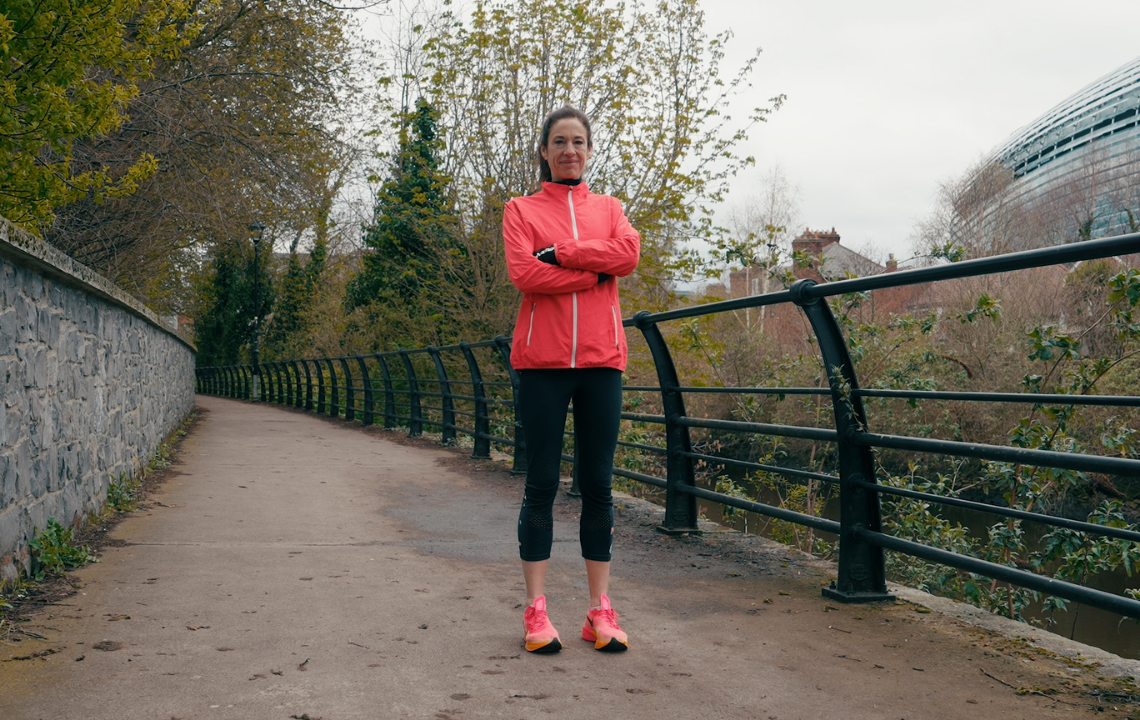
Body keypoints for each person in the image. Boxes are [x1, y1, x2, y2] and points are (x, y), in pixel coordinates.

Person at [502, 106, 640, 653]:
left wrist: (562, 254)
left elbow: (627, 253)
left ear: (589, 149)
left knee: (599, 487)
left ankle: (599, 612)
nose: (569, 151)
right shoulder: (520, 209)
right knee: (540, 486)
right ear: (543, 150)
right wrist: (595, 270)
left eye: (578, 141)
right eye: (559, 141)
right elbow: (524, 274)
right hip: (542, 364)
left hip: (603, 362)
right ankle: (536, 613)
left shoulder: (610, 208)